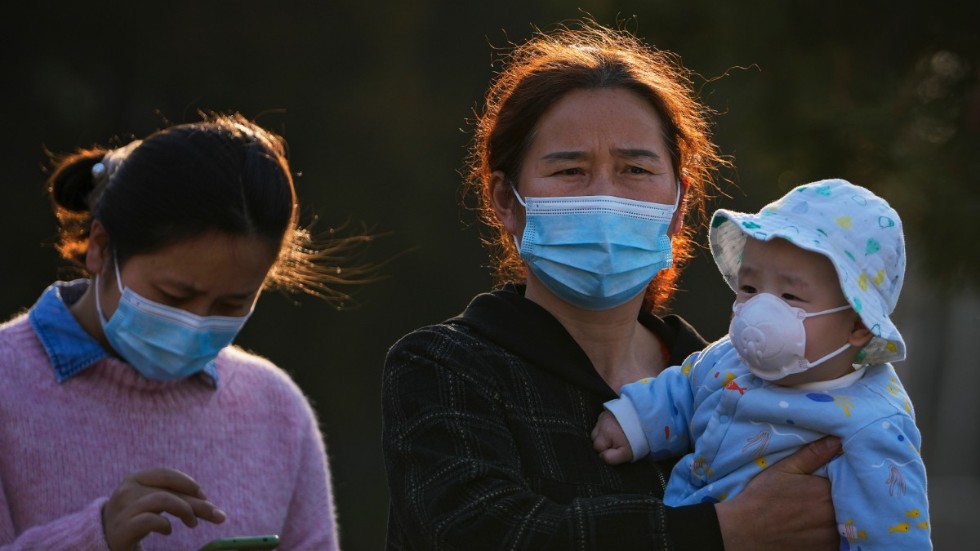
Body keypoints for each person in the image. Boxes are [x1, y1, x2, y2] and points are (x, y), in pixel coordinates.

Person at [382, 20, 840, 550]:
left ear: (679, 205)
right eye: (570, 171)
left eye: (635, 170)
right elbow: (491, 534)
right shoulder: (445, 368)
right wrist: (724, 532)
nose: (605, 195)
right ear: (506, 201)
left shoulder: (736, 381)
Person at [0, 113, 354, 550]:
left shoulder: (276, 410)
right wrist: (95, 538)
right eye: (173, 296)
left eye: (231, 304)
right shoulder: (7, 385)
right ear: (99, 247)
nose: (196, 323)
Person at [592, 179, 931, 550]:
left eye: (790, 296)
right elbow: (683, 390)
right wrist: (634, 422)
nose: (759, 310)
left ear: (858, 326)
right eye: (750, 289)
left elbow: (893, 532)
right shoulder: (727, 356)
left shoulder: (872, 425)